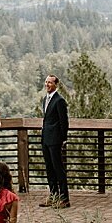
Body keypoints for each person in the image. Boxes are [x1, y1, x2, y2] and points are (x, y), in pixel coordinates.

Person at [40, 74, 70, 208]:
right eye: (46, 82)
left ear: (56, 84)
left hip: (55, 140)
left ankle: (64, 199)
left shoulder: (59, 101)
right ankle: (53, 196)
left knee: (58, 169)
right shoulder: (45, 99)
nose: (47, 84)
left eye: (50, 82)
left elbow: (64, 122)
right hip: (46, 139)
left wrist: (63, 139)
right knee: (49, 169)